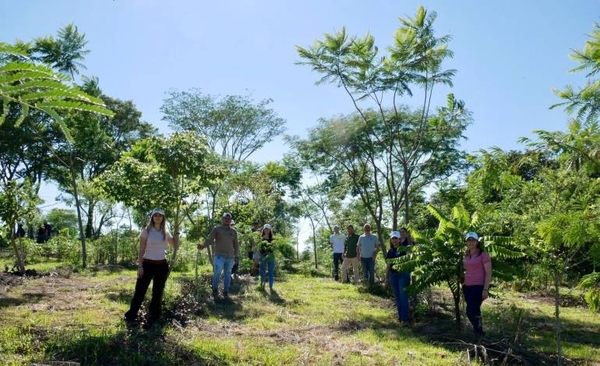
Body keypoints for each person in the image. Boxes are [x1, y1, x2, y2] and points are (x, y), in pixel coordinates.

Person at [124, 208, 179, 323]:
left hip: (161, 265)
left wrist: (177, 232)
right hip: (147, 264)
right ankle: (131, 316)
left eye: (160, 215)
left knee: (157, 293)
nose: (157, 217)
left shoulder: (165, 232)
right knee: (140, 291)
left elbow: (175, 246)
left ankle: (154, 317)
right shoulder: (146, 231)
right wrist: (140, 266)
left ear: (163, 218)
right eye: (155, 215)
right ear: (152, 217)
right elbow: (141, 249)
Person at [198, 212, 240, 300]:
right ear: (222, 219)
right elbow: (210, 239)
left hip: (230, 256)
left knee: (228, 274)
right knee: (217, 271)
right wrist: (203, 246)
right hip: (219, 255)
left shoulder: (233, 231)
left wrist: (237, 256)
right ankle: (215, 290)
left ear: (230, 220)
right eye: (225, 218)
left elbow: (236, 245)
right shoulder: (217, 229)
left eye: (229, 218)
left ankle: (226, 292)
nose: (227, 220)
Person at [463, 232, 492, 339]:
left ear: (477, 242)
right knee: (475, 311)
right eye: (468, 240)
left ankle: (479, 332)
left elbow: (488, 273)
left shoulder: (483, 255)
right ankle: (479, 334)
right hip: (467, 286)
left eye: (473, 240)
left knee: (470, 311)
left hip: (478, 286)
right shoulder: (466, 254)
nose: (470, 242)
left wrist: (485, 289)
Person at [386, 230, 412, 324]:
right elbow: (388, 265)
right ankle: (400, 317)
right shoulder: (390, 251)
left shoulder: (404, 249)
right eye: (393, 238)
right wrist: (386, 278)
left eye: (396, 238)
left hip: (403, 275)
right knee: (397, 297)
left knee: (403, 296)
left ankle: (404, 319)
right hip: (393, 276)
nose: (394, 240)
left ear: (399, 239)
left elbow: (410, 260)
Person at [259, 224, 276, 291]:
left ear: (270, 230)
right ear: (263, 230)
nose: (266, 230)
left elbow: (273, 248)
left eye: (268, 229)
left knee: (270, 272)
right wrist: (263, 239)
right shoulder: (260, 238)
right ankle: (262, 285)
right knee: (262, 271)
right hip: (263, 256)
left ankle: (271, 286)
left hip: (271, 257)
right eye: (265, 229)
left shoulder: (273, 238)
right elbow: (259, 248)